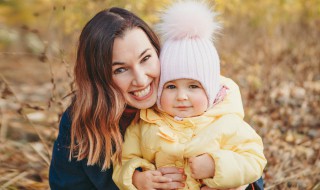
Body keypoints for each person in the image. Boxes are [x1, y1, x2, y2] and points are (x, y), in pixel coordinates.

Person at [49, 4, 265, 190]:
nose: (141, 80)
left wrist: (239, 184)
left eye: (146, 59)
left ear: (158, 51)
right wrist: (137, 180)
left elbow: (249, 161)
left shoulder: (207, 99)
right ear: (100, 78)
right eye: (120, 70)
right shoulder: (82, 125)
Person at [112, 1, 267, 190]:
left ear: (210, 90)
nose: (181, 96)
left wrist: (215, 165)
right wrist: (139, 178)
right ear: (160, 88)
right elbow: (123, 161)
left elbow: (254, 159)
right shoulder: (145, 123)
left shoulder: (226, 122)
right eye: (171, 87)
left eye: (193, 86)